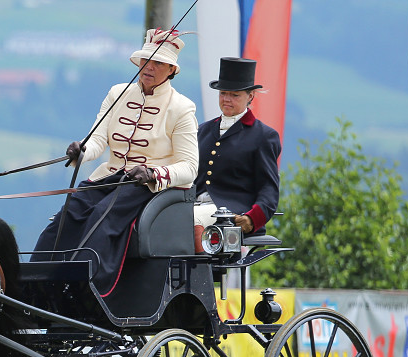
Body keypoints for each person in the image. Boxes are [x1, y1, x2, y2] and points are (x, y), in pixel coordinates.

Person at [31, 28, 198, 297]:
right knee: (68, 214)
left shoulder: (182, 108)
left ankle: (85, 289)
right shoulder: (117, 93)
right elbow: (97, 139)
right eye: (146, 60)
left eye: (157, 62)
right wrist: (81, 150)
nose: (148, 67)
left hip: (148, 185)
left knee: (103, 216)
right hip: (108, 177)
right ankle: (33, 286)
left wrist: (154, 173)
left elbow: (190, 167)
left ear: (171, 70)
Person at [193, 57, 281, 252]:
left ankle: (201, 280)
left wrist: (252, 218)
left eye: (234, 95)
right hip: (194, 204)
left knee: (192, 222)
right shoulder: (202, 131)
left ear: (251, 96)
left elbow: (269, 189)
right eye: (223, 93)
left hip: (231, 214)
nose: (226, 99)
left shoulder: (263, 136)